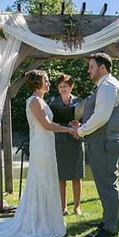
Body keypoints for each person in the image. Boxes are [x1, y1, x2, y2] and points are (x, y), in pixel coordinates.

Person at [0, 69, 73, 237]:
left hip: (46, 145)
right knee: (40, 180)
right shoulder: (35, 102)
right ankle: (37, 223)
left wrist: (68, 125)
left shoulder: (41, 101)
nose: (49, 83)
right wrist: (70, 130)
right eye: (46, 80)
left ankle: (47, 220)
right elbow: (46, 125)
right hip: (40, 147)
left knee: (47, 179)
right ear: (37, 83)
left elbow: (50, 123)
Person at [72, 52, 119, 237]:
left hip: (104, 141)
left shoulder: (109, 86)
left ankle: (111, 228)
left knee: (107, 184)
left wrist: (81, 130)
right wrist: (83, 126)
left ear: (102, 68)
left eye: (91, 67)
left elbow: (101, 117)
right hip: (101, 140)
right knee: (104, 183)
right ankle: (107, 219)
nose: (89, 71)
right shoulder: (104, 85)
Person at [47, 74, 85, 216]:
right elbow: (47, 122)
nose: (63, 88)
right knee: (60, 177)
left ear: (71, 86)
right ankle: (63, 207)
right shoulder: (51, 102)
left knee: (77, 175)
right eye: (60, 86)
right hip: (58, 142)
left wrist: (79, 124)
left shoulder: (80, 102)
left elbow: (88, 121)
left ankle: (77, 207)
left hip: (75, 140)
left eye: (65, 86)